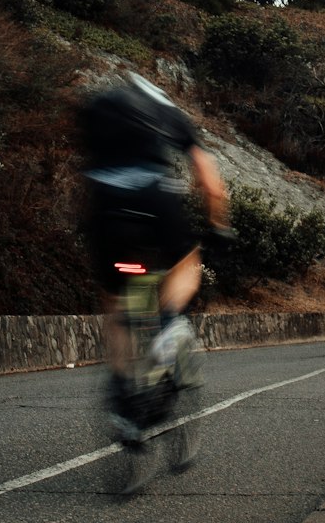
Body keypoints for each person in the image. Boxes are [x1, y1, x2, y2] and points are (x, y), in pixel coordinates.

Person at [78, 72, 230, 439]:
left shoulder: (102, 108)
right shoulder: (168, 112)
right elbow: (209, 180)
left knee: (115, 302)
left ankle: (120, 387)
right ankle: (170, 324)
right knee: (187, 261)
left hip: (104, 201)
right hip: (154, 195)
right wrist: (219, 227)